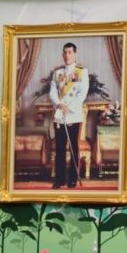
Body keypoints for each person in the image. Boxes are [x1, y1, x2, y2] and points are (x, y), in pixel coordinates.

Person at [48, 42, 88, 189]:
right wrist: (59, 104)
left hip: (73, 116)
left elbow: (82, 94)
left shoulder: (81, 72)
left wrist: (68, 107)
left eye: (70, 52)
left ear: (75, 54)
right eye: (65, 52)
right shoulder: (57, 73)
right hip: (60, 115)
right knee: (59, 148)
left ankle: (72, 179)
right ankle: (60, 179)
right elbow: (52, 92)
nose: (67, 55)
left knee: (73, 148)